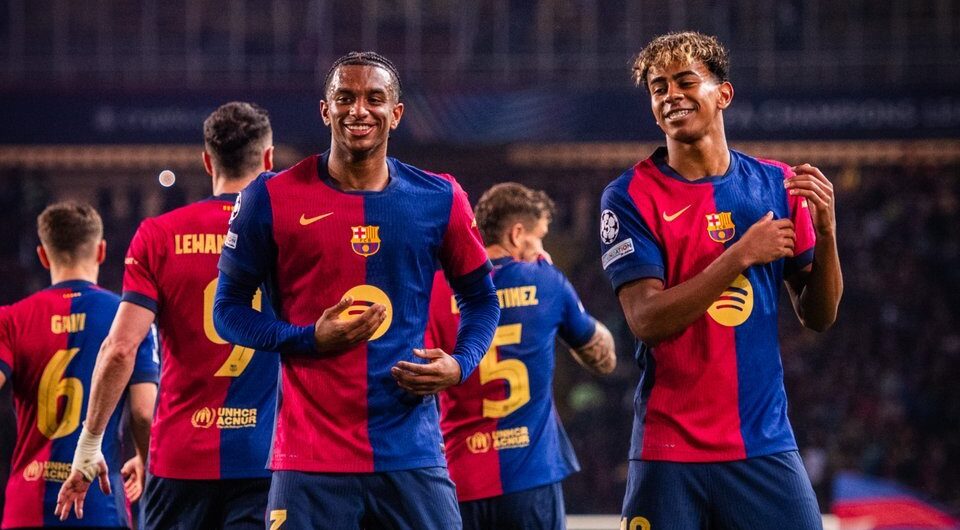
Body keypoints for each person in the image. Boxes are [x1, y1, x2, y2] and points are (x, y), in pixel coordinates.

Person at [213, 51, 500, 530]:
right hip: (309, 455)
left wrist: (460, 363)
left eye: (374, 98)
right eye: (344, 98)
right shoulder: (270, 197)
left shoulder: (440, 197)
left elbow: (482, 299)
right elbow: (227, 310)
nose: (359, 110)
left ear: (396, 113)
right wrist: (307, 338)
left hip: (410, 451)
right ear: (325, 110)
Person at [599, 32, 843, 529]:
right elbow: (646, 320)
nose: (671, 95)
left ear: (723, 94)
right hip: (668, 448)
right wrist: (740, 255)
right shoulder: (629, 196)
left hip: (762, 443)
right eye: (659, 88)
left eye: (686, 81)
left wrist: (828, 235)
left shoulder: (776, 185)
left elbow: (819, 316)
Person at [57, 102, 279, 529]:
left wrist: (90, 443)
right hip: (264, 458)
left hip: (178, 461)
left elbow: (121, 349)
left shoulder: (158, 235)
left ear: (207, 161)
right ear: (268, 160)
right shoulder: (286, 236)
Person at [426, 182, 617, 530]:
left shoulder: (438, 289)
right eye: (539, 237)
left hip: (459, 479)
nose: (542, 249)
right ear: (516, 234)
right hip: (531, 477)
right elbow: (604, 360)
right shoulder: (546, 281)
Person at [1, 201, 158, 528]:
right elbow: (144, 412)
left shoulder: (11, 319)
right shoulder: (128, 320)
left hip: (26, 506)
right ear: (101, 251)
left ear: (43, 256)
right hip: (100, 503)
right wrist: (145, 460)